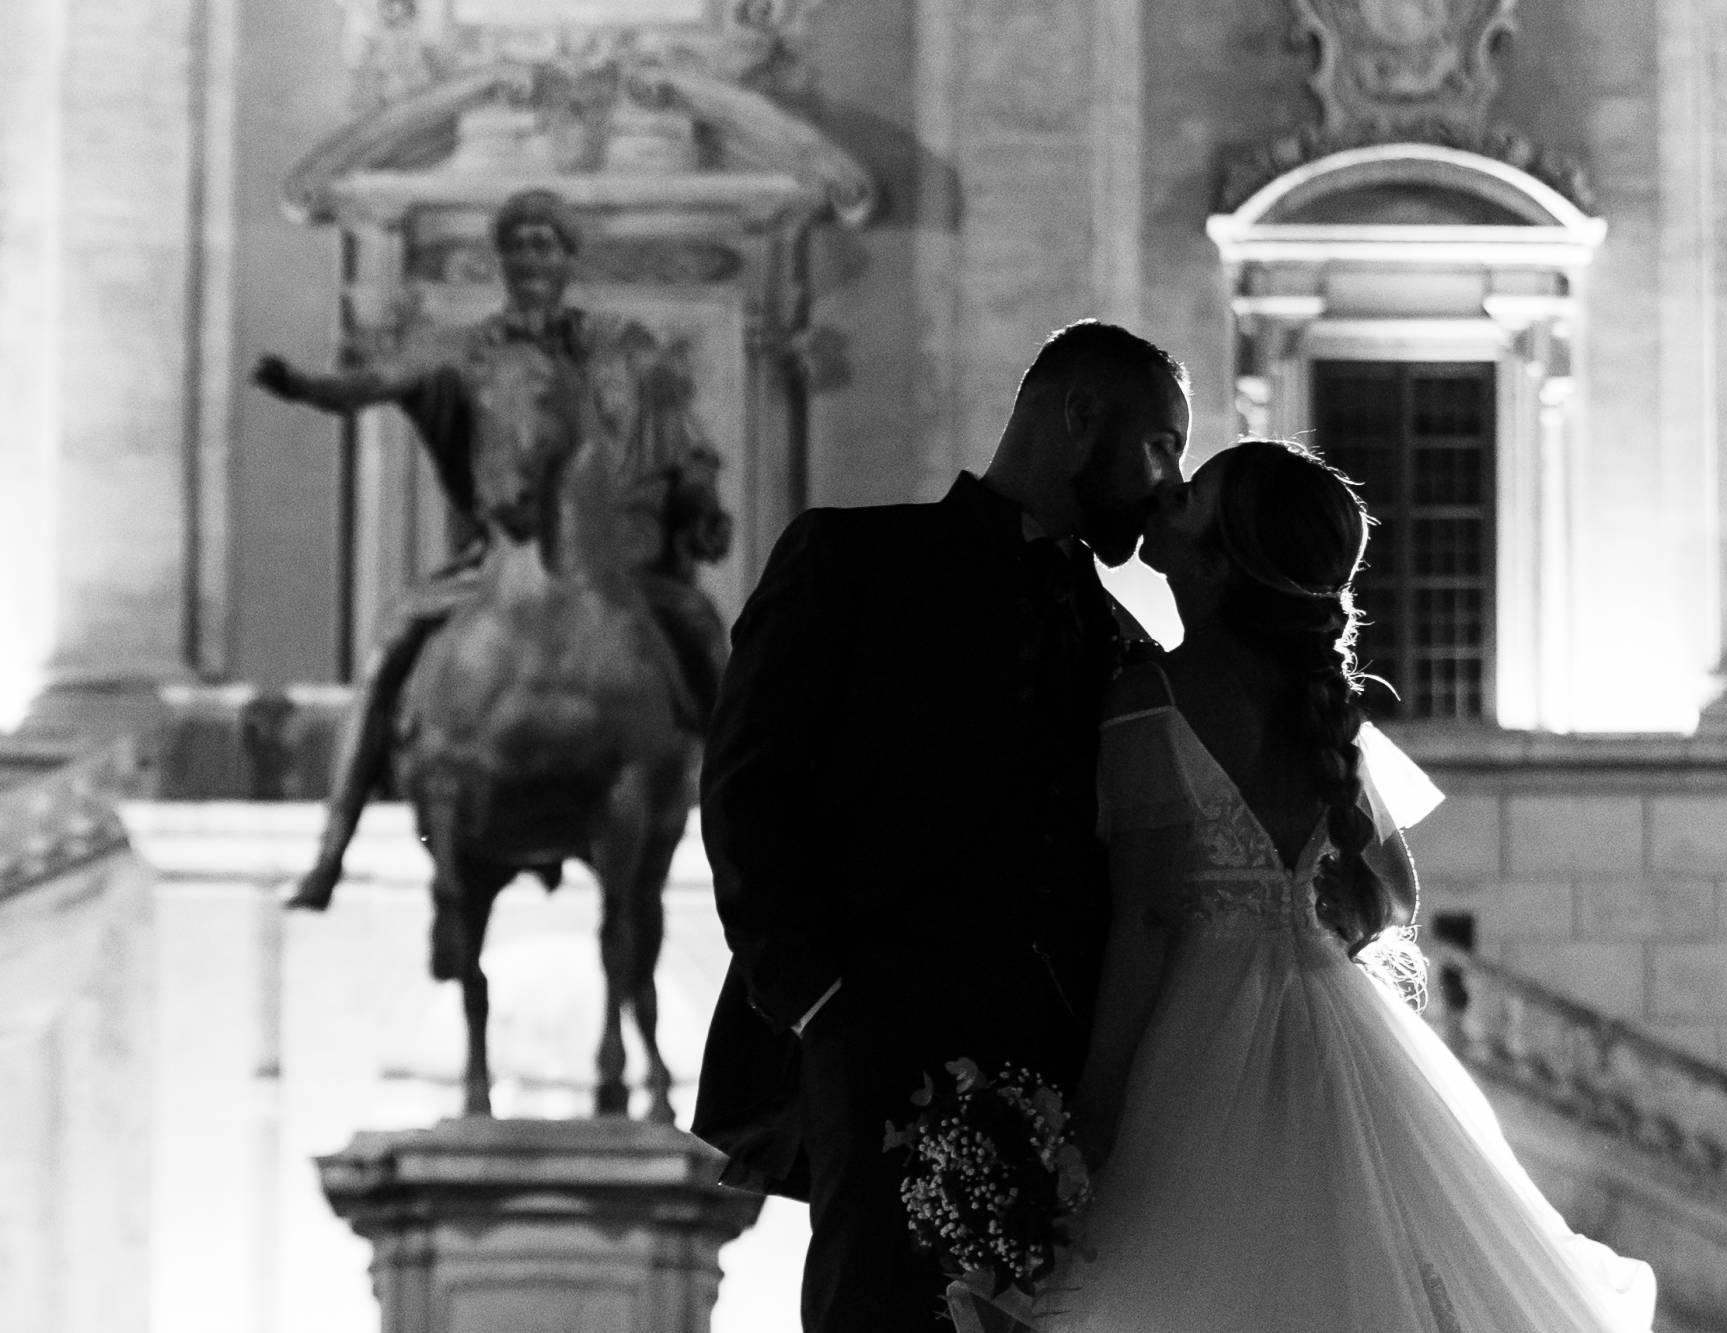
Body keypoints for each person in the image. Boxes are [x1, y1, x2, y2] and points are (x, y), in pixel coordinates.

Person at [1030, 439, 1658, 1333]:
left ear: (1214, 564)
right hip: (1332, 1012)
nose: (1165, 492)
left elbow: (1149, 917)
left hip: (1196, 1031)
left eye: (1189, 496)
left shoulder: (1151, 694)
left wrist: (1095, 1101)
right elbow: (1394, 889)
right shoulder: (1316, 703)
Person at [691, 320, 1191, 1333]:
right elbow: (748, 790)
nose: (1170, 484)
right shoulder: (851, 560)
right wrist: (824, 1010)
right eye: (1160, 445)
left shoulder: (1124, 643)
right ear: (1078, 415)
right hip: (874, 1051)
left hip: (1058, 1084)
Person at [251, 187, 731, 910]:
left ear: (568, 258)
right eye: (517, 244)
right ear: (500, 259)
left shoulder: (623, 349)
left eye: (545, 244)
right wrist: (306, 387)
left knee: (703, 633)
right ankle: (332, 849)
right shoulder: (466, 354)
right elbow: (379, 382)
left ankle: (748, 817)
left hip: (622, 561)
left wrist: (699, 502)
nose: (531, 258)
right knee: (389, 642)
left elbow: (682, 439)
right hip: (498, 555)